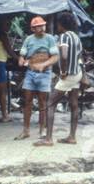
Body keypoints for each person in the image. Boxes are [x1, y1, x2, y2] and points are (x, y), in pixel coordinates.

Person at [16, 15, 58, 144]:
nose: (41, 28)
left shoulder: (50, 39)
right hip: (31, 72)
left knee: (42, 102)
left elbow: (55, 57)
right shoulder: (29, 39)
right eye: (38, 26)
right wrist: (21, 60)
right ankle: (26, 130)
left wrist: (43, 65)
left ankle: (42, 130)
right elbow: (22, 55)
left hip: (45, 74)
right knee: (27, 101)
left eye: (42, 25)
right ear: (33, 29)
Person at [51, 12, 84, 145]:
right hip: (77, 73)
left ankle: (48, 138)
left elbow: (64, 56)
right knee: (74, 104)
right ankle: (72, 136)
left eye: (57, 24)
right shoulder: (76, 37)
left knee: (50, 103)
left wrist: (63, 71)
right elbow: (80, 58)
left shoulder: (64, 36)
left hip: (68, 75)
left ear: (61, 24)